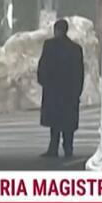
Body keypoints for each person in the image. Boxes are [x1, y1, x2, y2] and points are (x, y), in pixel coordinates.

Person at [37, 19, 85, 158]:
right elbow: (79, 72)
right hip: (69, 91)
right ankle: (68, 147)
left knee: (55, 122)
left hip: (54, 90)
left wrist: (44, 81)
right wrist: (77, 90)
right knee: (67, 122)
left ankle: (54, 147)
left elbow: (43, 65)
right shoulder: (75, 49)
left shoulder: (50, 46)